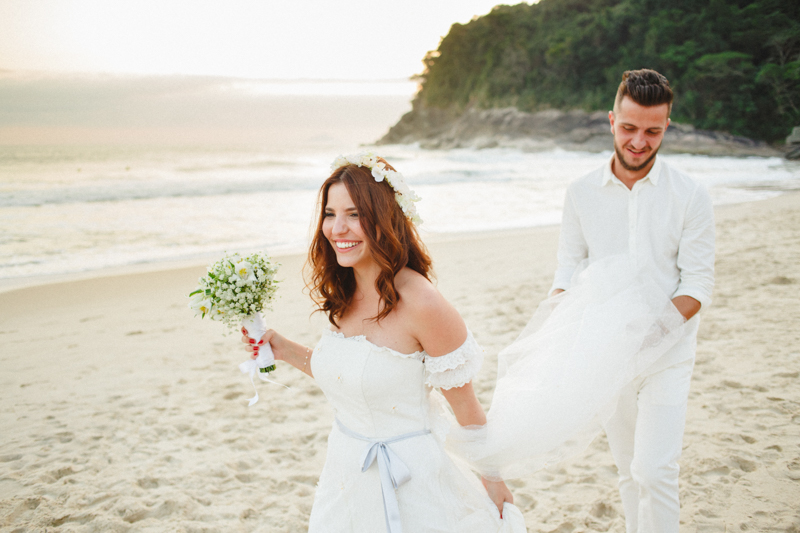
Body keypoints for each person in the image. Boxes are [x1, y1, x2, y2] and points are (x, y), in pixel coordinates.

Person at [242, 152, 527, 533]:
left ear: (385, 218)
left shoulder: (423, 303)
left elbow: (467, 407)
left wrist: (493, 479)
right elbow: (353, 378)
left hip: (412, 482)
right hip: (346, 471)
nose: (337, 228)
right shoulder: (344, 292)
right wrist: (283, 348)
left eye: (355, 214)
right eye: (330, 213)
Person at [549, 69, 716, 533]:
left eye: (652, 131)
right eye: (629, 128)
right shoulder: (580, 192)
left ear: (666, 127)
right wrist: (560, 312)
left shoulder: (691, 195)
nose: (639, 141)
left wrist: (652, 335)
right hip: (607, 352)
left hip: (669, 351)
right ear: (611, 120)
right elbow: (569, 265)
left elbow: (697, 284)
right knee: (627, 471)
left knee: (654, 469)